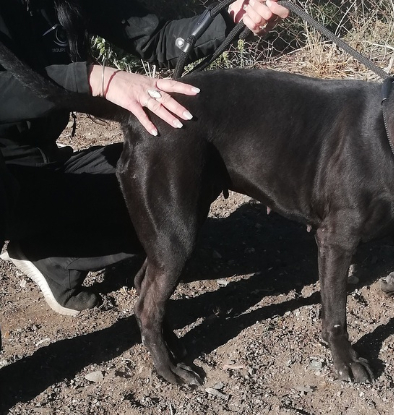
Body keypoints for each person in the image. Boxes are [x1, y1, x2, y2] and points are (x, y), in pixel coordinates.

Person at [0, 0, 289, 316]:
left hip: (46, 165)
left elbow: (158, 38)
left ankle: (52, 258)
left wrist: (230, 18)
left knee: (182, 178)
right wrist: (98, 79)